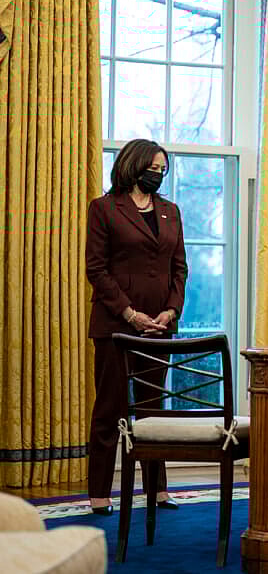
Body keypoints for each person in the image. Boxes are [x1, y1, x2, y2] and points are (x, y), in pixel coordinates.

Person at [85, 139, 188, 515]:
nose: (157, 175)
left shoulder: (170, 211)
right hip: (116, 325)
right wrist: (129, 314)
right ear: (133, 166)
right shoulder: (104, 208)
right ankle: (100, 492)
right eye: (152, 168)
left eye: (162, 170)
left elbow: (179, 268)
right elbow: (96, 269)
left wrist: (171, 311)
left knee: (152, 411)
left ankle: (157, 489)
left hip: (160, 327)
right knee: (109, 408)